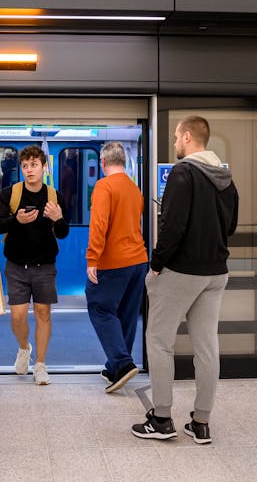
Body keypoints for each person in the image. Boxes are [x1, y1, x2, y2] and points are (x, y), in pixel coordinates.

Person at [132, 115, 238, 445]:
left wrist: (156, 264)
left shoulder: (183, 172)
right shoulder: (226, 177)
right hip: (216, 272)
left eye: (177, 137)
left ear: (189, 137)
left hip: (182, 271)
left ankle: (162, 418)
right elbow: (230, 226)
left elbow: (172, 226)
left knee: (160, 341)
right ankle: (201, 422)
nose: (175, 143)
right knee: (207, 346)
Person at [0, 145, 69, 385]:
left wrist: (58, 218)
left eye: (34, 165)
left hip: (45, 265)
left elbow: (63, 233)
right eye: (25, 166)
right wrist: (17, 220)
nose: (29, 170)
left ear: (44, 167)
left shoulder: (55, 197)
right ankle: (24, 348)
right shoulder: (9, 194)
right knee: (17, 317)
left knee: (43, 313)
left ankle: (41, 365)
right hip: (15, 265)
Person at [85, 142, 148, 393]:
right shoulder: (135, 190)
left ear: (103, 163)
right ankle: (114, 369)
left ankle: (122, 364)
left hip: (114, 261)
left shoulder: (104, 186)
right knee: (127, 314)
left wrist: (93, 259)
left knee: (99, 307)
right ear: (123, 161)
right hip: (138, 260)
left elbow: (99, 225)